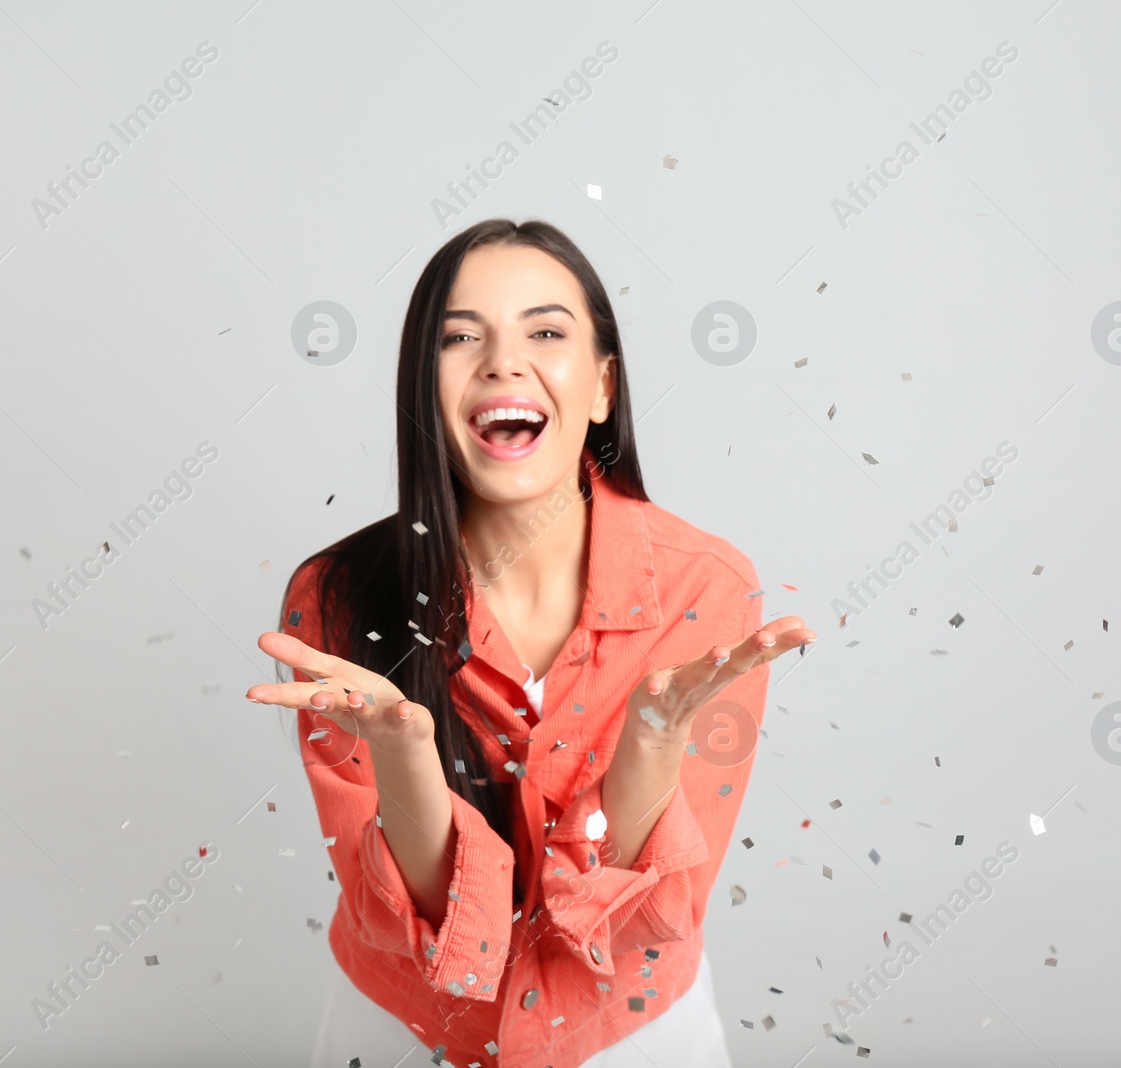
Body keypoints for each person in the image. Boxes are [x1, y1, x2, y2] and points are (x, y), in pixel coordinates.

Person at [247, 218, 817, 1067]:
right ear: (421, 389)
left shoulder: (707, 591)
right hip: (404, 1028)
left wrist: (650, 752)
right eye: (459, 337)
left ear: (600, 388)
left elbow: (649, 919)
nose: (502, 362)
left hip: (629, 1032)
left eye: (546, 332)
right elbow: (423, 929)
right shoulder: (335, 600)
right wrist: (407, 759)